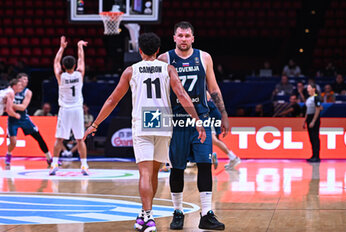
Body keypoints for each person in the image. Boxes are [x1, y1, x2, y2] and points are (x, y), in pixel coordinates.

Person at [84, 32, 205, 232]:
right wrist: (197, 121)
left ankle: (148, 217)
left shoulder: (131, 71)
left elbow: (112, 100)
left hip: (143, 122)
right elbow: (182, 96)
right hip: (163, 123)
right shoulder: (168, 68)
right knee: (154, 172)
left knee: (145, 173)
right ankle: (145, 212)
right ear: (158, 51)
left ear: (140, 50)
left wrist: (95, 124)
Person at [158, 21, 227, 231]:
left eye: (187, 36)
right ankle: (177, 212)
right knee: (176, 168)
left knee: (205, 165)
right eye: (180, 35)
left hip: (203, 118)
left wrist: (223, 113)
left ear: (193, 38)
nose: (184, 39)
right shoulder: (165, 59)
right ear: (174, 38)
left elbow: (213, 88)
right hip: (176, 121)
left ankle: (206, 213)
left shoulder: (204, 57)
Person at [50, 36, 88, 175]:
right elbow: (82, 60)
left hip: (65, 110)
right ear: (74, 66)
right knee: (79, 139)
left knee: (59, 139)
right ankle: (84, 165)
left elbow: (55, 62)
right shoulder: (80, 74)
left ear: (64, 66)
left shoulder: (61, 76)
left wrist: (61, 47)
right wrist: (80, 46)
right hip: (77, 110)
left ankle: (54, 164)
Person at [5, 73, 54, 167]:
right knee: (13, 142)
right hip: (12, 119)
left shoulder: (28, 92)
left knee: (38, 137)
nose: (26, 81)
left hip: (24, 118)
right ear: (18, 80)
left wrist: (9, 104)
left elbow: (23, 107)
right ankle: (8, 154)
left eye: (27, 80)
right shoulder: (10, 90)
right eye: (24, 79)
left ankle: (49, 158)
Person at [208, 92, 240, 170]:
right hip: (212, 114)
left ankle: (233, 157)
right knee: (210, 138)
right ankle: (210, 155)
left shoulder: (201, 90)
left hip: (211, 115)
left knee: (213, 139)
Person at [303, 83, 321, 162]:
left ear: (313, 89)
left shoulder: (316, 98)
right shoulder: (308, 98)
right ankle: (313, 155)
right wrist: (305, 121)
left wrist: (313, 121)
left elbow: (318, 109)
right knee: (311, 138)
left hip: (314, 118)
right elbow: (307, 110)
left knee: (315, 137)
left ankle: (317, 156)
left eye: (309, 87)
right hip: (309, 118)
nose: (307, 89)